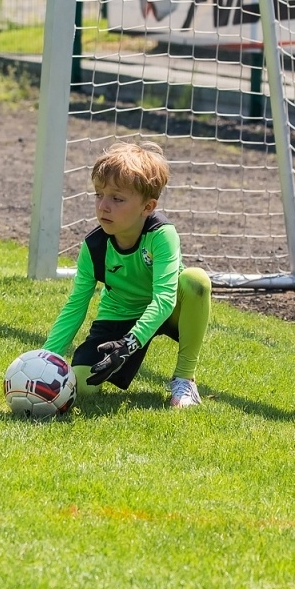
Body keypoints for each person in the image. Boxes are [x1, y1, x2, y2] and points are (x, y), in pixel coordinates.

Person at [44, 142, 212, 409]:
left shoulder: (162, 235)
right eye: (99, 195)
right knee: (83, 386)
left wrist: (128, 344)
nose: (103, 206)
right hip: (119, 314)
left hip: (168, 312)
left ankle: (184, 379)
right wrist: (46, 357)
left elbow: (165, 299)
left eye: (117, 198)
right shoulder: (94, 246)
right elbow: (76, 305)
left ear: (148, 206)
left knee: (195, 280)